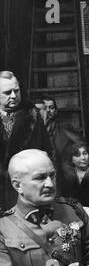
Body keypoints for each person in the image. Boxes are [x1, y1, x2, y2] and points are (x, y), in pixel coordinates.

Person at [0, 149, 89, 266]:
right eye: (40, 178)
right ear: (17, 185)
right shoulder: (4, 227)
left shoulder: (73, 211)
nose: (50, 184)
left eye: (52, 176)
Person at [0, 71, 51, 210]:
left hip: (26, 191)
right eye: (7, 92)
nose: (13, 96)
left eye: (16, 91)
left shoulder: (33, 115)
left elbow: (47, 152)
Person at [41, 95, 84, 194]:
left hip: (62, 171)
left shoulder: (64, 127)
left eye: (51, 108)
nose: (48, 111)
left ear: (56, 111)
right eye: (45, 108)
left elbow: (80, 145)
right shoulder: (34, 131)